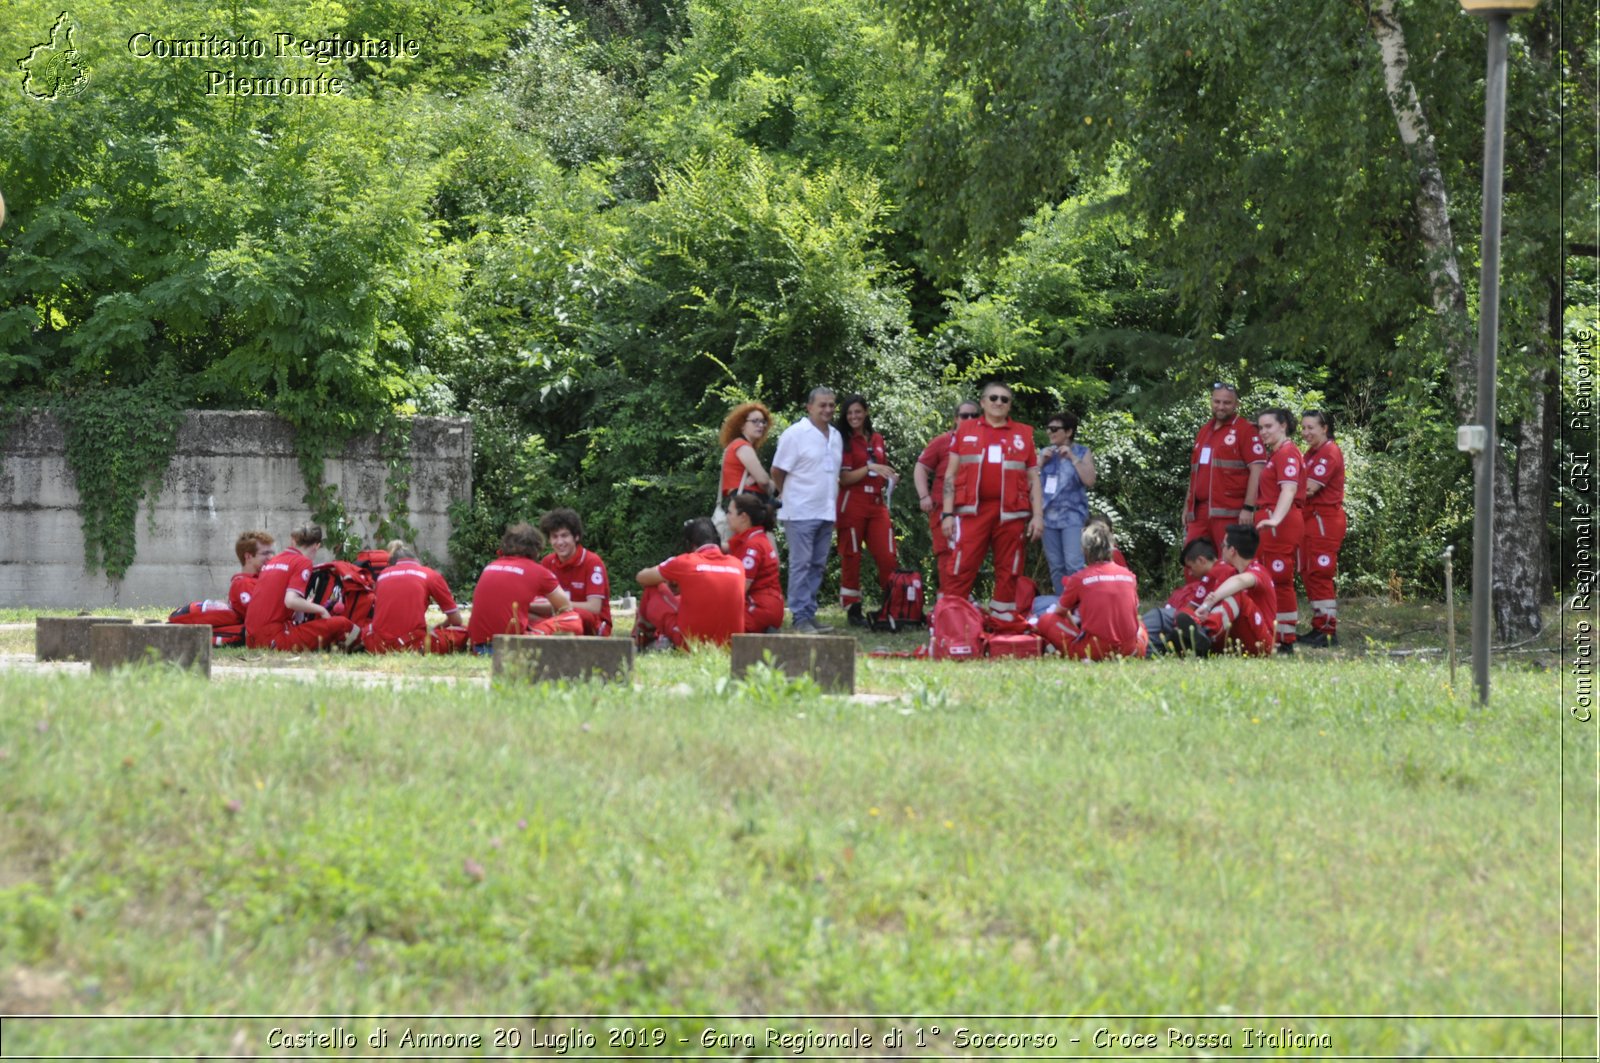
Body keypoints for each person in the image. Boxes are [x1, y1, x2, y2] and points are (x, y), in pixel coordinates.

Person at [939, 381, 1045, 630]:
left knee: (1010, 570)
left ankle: (1002, 624)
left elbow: (1033, 480)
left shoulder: (1023, 434)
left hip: (1012, 514)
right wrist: (946, 513)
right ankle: (952, 620)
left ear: (1009, 405)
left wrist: (1037, 515)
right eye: (994, 398)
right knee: (961, 564)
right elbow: (950, 475)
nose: (999, 403)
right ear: (983, 402)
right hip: (972, 512)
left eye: (1004, 399)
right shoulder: (964, 431)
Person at [770, 387, 844, 634]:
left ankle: (809, 614)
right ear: (809, 407)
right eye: (822, 405)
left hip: (826, 511)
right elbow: (777, 470)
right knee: (801, 564)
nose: (828, 410)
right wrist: (786, 494)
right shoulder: (795, 434)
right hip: (800, 511)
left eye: (832, 405)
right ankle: (800, 617)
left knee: (817, 565)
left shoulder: (835, 435)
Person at [1036, 522, 1147, 660]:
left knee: (1046, 620)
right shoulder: (1129, 576)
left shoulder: (1080, 578)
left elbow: (1060, 612)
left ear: (1085, 550)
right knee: (1141, 624)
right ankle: (1136, 650)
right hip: (1129, 650)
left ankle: (1075, 647)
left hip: (1095, 651)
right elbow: (1133, 612)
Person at [244, 523, 360, 651]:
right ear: (317, 546)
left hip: (251, 639)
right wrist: (321, 610)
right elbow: (291, 601)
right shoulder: (302, 562)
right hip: (273, 639)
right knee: (342, 624)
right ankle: (360, 646)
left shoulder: (273, 561)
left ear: (293, 541)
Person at [635, 517, 748, 648]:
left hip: (691, 643)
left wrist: (669, 580)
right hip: (730, 644)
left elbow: (642, 577)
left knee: (651, 590)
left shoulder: (685, 562)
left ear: (690, 544)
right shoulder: (737, 565)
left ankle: (642, 640)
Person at [835, 394, 898, 624]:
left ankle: (892, 605)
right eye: (850, 413)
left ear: (866, 413)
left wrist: (890, 476)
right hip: (852, 503)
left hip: (876, 504)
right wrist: (869, 467)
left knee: (887, 555)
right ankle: (853, 610)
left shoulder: (877, 439)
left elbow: (882, 467)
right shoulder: (843, 441)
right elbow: (843, 478)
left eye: (858, 412)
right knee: (851, 555)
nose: (854, 416)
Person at [466, 524, 577, 652]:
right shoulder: (538, 571)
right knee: (573, 619)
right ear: (536, 548)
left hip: (478, 646)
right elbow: (565, 608)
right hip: (509, 648)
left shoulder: (491, 566)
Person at [1183, 382, 1267, 553]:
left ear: (1236, 404)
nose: (1221, 406)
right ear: (1211, 401)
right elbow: (1195, 473)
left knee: (1229, 564)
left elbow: (1257, 470)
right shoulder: (1204, 430)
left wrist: (1248, 508)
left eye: (1227, 403)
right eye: (1217, 401)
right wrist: (1187, 505)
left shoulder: (1246, 430)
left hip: (1230, 512)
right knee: (1193, 562)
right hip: (1199, 512)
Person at [915, 399, 980, 599]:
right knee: (946, 554)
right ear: (955, 419)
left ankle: (961, 597)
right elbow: (921, 468)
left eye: (974, 416)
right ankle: (948, 600)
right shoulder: (943, 441)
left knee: (968, 555)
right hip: (943, 508)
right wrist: (924, 495)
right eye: (964, 415)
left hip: (971, 510)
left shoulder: (983, 442)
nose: (969, 419)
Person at [1253, 407, 1305, 653]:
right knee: (1271, 577)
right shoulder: (1276, 454)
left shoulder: (1287, 453)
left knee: (1280, 578)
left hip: (1279, 522)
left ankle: (1286, 638)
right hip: (1270, 520)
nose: (1263, 432)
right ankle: (1274, 632)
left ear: (1283, 425)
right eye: (1260, 427)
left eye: (1268, 426)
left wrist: (1275, 520)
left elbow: (1289, 489)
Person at [1188, 523, 1277, 657]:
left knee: (1236, 595)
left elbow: (1240, 581)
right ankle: (1190, 635)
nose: (1221, 549)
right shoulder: (1228, 573)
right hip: (1234, 638)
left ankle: (1206, 633)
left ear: (1232, 551)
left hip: (1262, 643)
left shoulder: (1259, 571)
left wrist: (1208, 604)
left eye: (1223, 546)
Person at [361, 543, 468, 653]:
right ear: (417, 561)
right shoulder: (429, 574)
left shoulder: (382, 575)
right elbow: (456, 620)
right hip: (413, 644)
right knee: (462, 630)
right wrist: (436, 628)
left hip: (378, 645)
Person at [1298, 409, 1347, 647]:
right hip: (1311, 521)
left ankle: (1328, 631)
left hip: (1324, 521)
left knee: (1320, 573)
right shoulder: (1312, 453)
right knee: (1309, 574)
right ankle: (1320, 627)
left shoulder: (1329, 452)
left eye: (1311, 428)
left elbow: (1308, 488)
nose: (1306, 433)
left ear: (1324, 428)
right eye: (1303, 427)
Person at [1143, 538, 1236, 654]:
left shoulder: (1212, 575)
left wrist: (1181, 615)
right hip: (1219, 629)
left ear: (1201, 560)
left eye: (1190, 567)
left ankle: (1136, 643)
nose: (1190, 573)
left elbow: (1191, 607)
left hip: (1206, 626)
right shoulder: (1228, 569)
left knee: (1160, 616)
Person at [1038, 411, 1096, 594]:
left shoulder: (1081, 452)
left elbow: (1090, 480)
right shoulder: (1044, 453)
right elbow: (1027, 484)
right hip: (1048, 518)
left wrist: (1073, 458)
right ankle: (1062, 608)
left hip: (1072, 517)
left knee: (1074, 564)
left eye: (1055, 429)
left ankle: (1082, 605)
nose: (1050, 432)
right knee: (1056, 566)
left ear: (1069, 432)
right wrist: (1039, 463)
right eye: (1048, 428)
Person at [537, 508, 613, 636]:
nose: (560, 542)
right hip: (558, 616)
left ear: (576, 537)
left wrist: (560, 606)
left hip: (592, 623)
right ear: (549, 540)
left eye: (564, 535)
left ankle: (545, 631)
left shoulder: (592, 562)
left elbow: (594, 607)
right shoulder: (547, 562)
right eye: (555, 537)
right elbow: (539, 599)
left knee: (580, 615)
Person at [714, 402, 776, 542]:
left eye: (763, 422)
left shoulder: (736, 446)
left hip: (739, 510)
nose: (760, 425)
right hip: (747, 514)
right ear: (742, 425)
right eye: (755, 421)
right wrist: (767, 483)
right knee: (768, 556)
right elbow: (764, 481)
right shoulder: (742, 446)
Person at [726, 492, 785, 634]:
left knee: (715, 625)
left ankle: (762, 630)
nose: (726, 517)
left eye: (729, 512)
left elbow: (739, 589)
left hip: (759, 608)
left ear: (744, 517)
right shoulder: (754, 538)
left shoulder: (752, 546)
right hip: (768, 606)